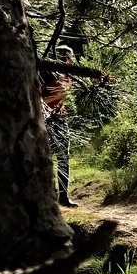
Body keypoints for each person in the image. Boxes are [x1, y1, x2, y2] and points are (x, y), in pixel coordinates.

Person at [42, 45, 78, 207]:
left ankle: (63, 197)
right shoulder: (47, 75)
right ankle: (45, 196)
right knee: (43, 157)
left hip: (61, 118)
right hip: (45, 118)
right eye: (69, 58)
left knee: (64, 157)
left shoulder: (68, 76)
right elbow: (38, 97)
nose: (71, 61)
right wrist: (50, 105)